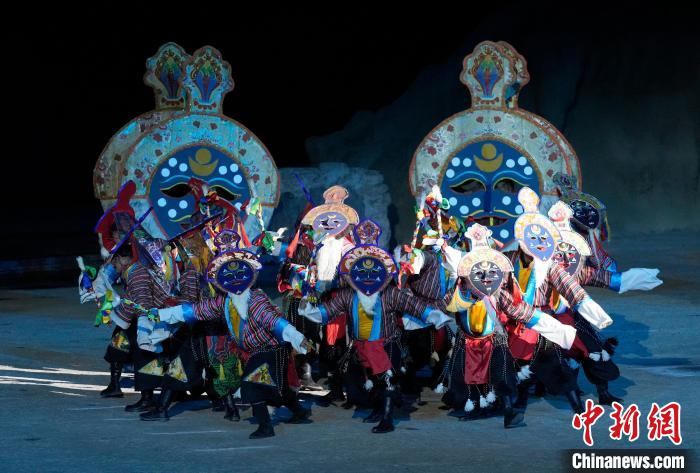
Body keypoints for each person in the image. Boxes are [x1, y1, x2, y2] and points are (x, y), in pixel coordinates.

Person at [141, 230, 313, 439]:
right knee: (278, 387)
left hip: (270, 349)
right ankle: (299, 411)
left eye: (240, 274)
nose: (235, 279)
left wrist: (297, 337)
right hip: (249, 348)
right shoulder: (223, 301)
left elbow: (275, 322)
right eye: (229, 276)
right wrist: (160, 314)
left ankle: (266, 427)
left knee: (253, 383)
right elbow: (193, 311)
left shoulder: (256, 300)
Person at [299, 219, 453, 433]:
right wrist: (308, 310)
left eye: (373, 272)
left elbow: (414, 306)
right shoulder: (348, 295)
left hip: (386, 345)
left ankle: (387, 417)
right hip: (362, 345)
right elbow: (327, 311)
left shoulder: (389, 294)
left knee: (386, 380)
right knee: (371, 379)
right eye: (362, 272)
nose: (368, 277)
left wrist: (436, 316)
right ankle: (380, 409)